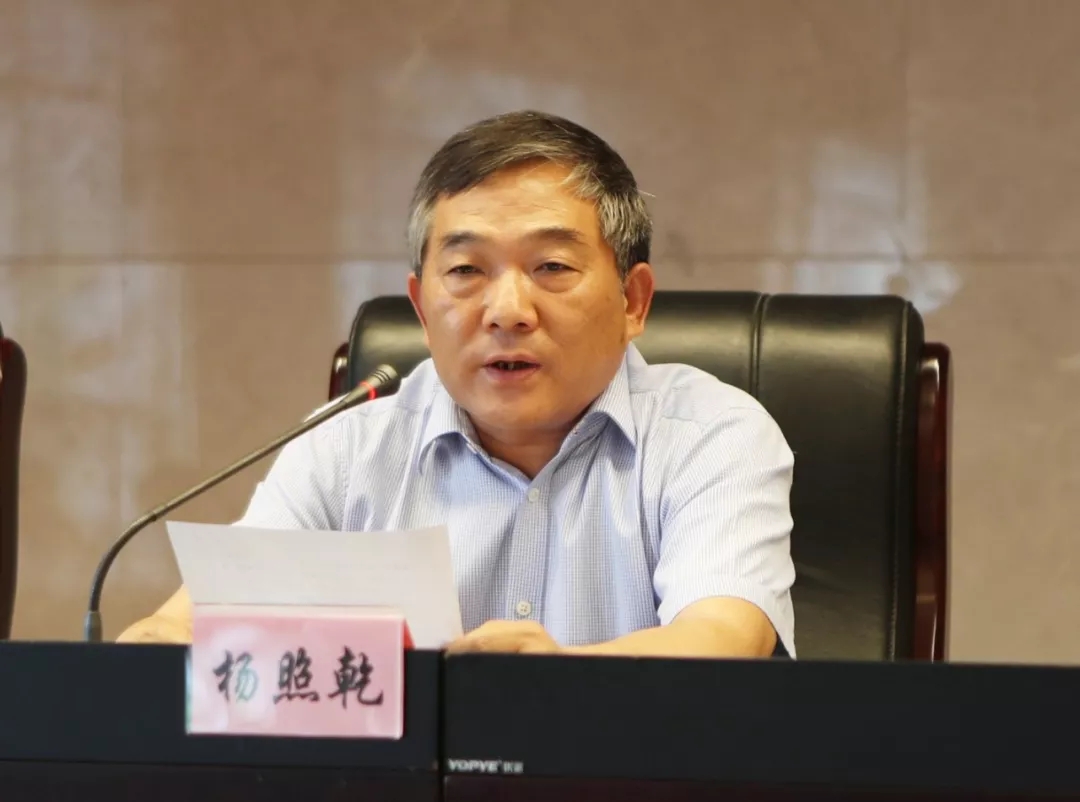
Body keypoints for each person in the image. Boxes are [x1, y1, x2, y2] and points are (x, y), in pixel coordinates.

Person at [119, 110, 797, 658]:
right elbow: (197, 619)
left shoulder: (711, 436)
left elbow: (720, 639)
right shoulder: (345, 452)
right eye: (467, 271)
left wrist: (553, 684)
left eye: (552, 267)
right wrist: (154, 645)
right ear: (421, 308)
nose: (508, 311)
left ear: (633, 302)